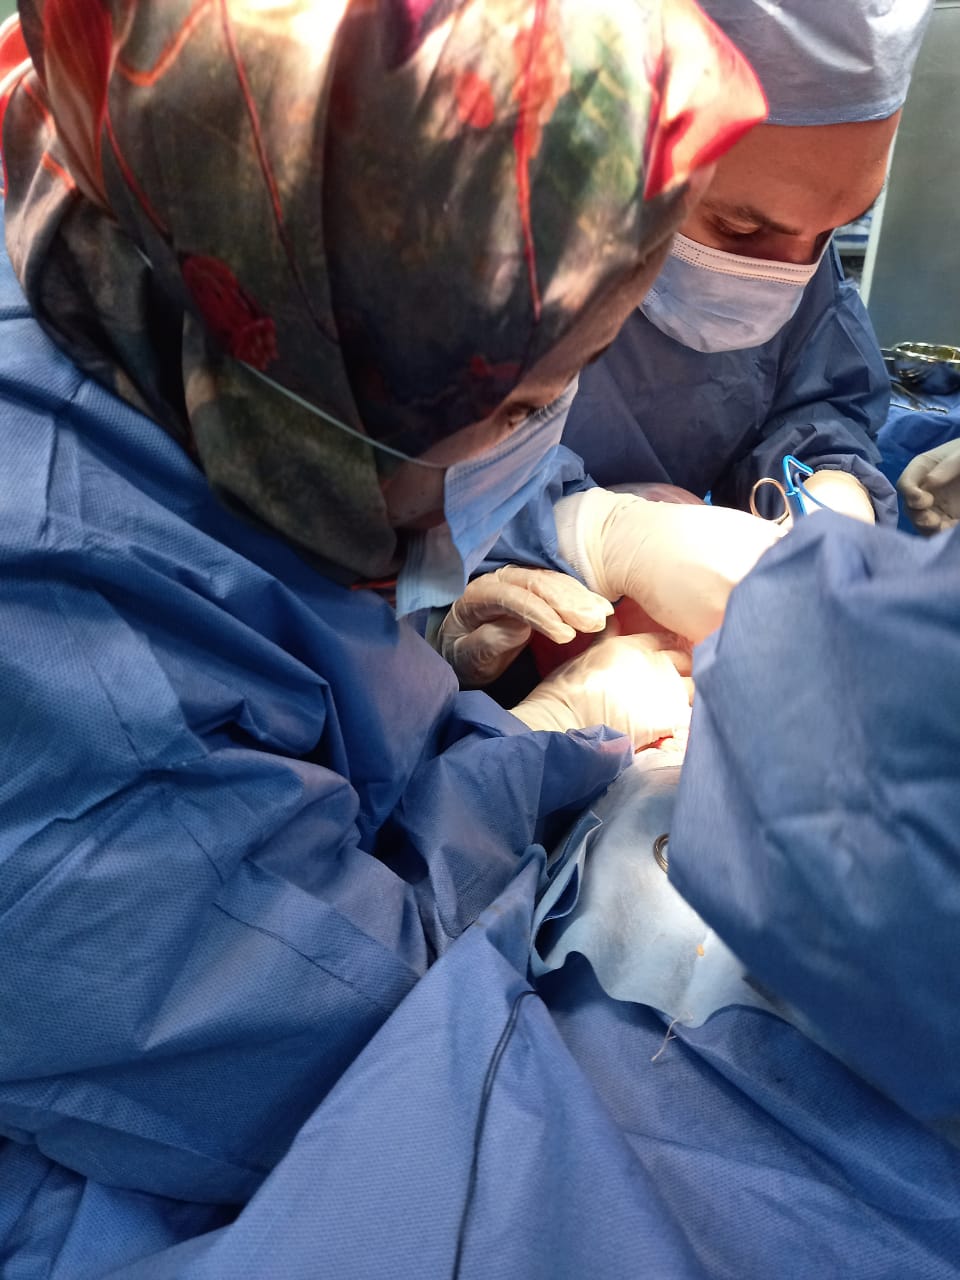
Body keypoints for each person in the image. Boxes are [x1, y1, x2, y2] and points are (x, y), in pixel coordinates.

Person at [0, 1, 777, 1273]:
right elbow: (320, 1035)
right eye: (523, 406)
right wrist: (544, 749)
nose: (545, 434)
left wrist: (459, 637)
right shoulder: (76, 657)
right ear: (325, 372)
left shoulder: (160, 285)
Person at [435, 0, 936, 689]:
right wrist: (583, 531)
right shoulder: (468, 238)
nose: (787, 271)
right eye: (739, 229)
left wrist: (829, 481)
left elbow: (814, 389)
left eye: (832, 230)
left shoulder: (795, 231)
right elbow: (378, 488)